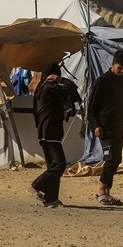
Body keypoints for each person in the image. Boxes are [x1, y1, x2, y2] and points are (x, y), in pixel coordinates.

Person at [30, 61, 81, 207]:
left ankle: (51, 198)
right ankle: (35, 185)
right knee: (59, 165)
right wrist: (58, 79)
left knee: (53, 166)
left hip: (46, 131)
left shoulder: (42, 88)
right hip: (50, 131)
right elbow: (72, 87)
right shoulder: (49, 87)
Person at [88, 49, 123, 206]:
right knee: (110, 158)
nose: (121, 71)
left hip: (118, 124)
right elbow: (92, 106)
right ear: (113, 64)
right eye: (119, 67)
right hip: (104, 127)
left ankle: (108, 192)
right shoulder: (102, 81)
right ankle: (101, 191)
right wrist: (95, 125)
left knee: (117, 159)